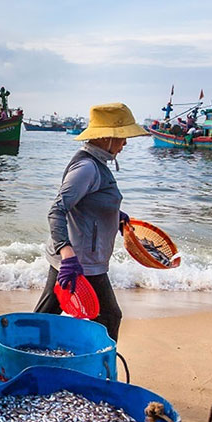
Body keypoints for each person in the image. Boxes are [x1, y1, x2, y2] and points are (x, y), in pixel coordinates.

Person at [33, 102, 149, 342]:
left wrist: (116, 216)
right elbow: (57, 210)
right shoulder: (87, 168)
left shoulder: (97, 164)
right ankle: (100, 369)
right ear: (106, 137)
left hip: (83, 259)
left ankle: (29, 355)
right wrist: (67, 255)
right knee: (108, 317)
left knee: (47, 316)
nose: (125, 143)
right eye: (122, 136)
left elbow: (88, 206)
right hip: (78, 262)